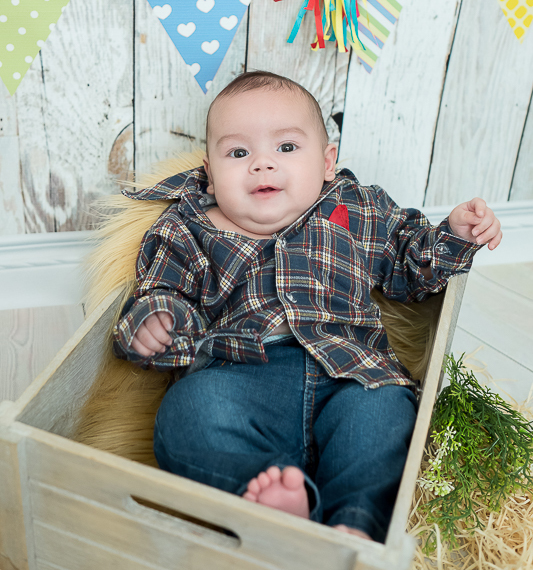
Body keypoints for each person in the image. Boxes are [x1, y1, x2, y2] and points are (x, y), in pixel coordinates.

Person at [112, 71, 502, 542]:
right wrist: (156, 319)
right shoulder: (188, 226)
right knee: (188, 412)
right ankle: (275, 505)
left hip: (350, 372)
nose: (262, 165)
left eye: (287, 148)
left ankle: (353, 523)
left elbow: (407, 261)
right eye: (239, 153)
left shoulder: (353, 208)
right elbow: (160, 289)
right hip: (243, 377)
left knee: (385, 414)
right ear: (210, 174)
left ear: (326, 162)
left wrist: (454, 236)